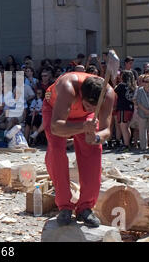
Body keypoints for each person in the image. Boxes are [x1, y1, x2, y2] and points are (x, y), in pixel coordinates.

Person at [43, 72, 115, 227]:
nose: (90, 108)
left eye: (95, 107)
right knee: (56, 151)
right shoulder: (68, 87)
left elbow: (106, 130)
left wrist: (96, 138)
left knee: (94, 151)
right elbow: (56, 127)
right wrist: (82, 127)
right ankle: (65, 206)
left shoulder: (108, 94)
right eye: (88, 105)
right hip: (56, 112)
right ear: (81, 94)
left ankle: (85, 207)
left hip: (85, 120)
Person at [114, 70, 136, 152]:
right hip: (130, 108)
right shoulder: (133, 86)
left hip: (123, 108)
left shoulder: (121, 85)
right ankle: (127, 143)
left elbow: (113, 92)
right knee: (127, 127)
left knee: (123, 128)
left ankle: (126, 145)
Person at [135, 74, 149, 150]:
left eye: (148, 81)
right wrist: (145, 110)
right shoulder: (140, 90)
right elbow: (138, 102)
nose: (146, 83)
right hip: (142, 112)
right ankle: (143, 147)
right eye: (145, 81)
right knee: (142, 130)